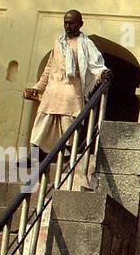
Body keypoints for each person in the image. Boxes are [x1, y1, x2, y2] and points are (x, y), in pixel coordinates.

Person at [23, 10, 110, 181]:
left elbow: (96, 64)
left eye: (72, 23)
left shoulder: (86, 44)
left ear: (80, 24)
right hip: (53, 89)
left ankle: (66, 157)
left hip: (71, 89)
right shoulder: (59, 42)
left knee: (69, 124)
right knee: (42, 121)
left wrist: (103, 73)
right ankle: (32, 155)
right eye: (66, 23)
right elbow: (49, 67)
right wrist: (38, 87)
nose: (68, 27)